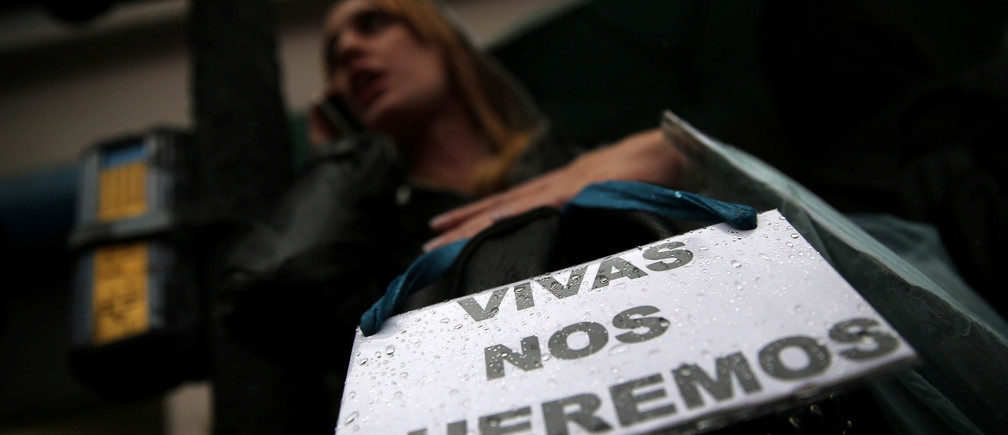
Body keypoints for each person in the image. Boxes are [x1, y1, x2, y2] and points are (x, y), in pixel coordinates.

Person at [309, 0, 688, 255]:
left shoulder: (569, 161)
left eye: (372, 23)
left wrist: (692, 163)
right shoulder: (374, 234)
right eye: (333, 56)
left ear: (439, 40)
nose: (347, 49)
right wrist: (332, 162)